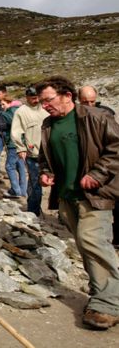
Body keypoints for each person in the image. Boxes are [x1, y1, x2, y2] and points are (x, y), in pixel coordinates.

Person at [36, 76, 119, 330]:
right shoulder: (49, 125)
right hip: (67, 195)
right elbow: (45, 156)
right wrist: (46, 171)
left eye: (48, 100)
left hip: (96, 194)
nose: (45, 106)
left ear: (67, 96)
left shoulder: (96, 117)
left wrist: (97, 174)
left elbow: (116, 148)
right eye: (41, 102)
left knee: (92, 242)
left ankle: (108, 305)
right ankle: (100, 294)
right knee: (85, 246)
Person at [78, 85, 118, 247]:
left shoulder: (106, 114)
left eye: (92, 101)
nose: (89, 105)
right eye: (85, 102)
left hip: (109, 168)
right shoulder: (76, 118)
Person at [10, 86, 49, 215]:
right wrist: (21, 148)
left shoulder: (46, 108)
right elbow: (15, 132)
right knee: (35, 183)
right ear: (27, 97)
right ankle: (34, 211)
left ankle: (62, 213)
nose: (36, 100)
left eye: (38, 97)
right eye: (33, 98)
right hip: (34, 154)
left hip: (51, 153)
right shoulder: (21, 112)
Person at [0, 98, 27, 198]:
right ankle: (23, 190)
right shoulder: (20, 109)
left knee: (9, 166)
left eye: (3, 104)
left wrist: (2, 114)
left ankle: (16, 191)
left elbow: (12, 122)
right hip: (21, 142)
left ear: (9, 103)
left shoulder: (12, 110)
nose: (2, 107)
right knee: (20, 166)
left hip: (14, 143)